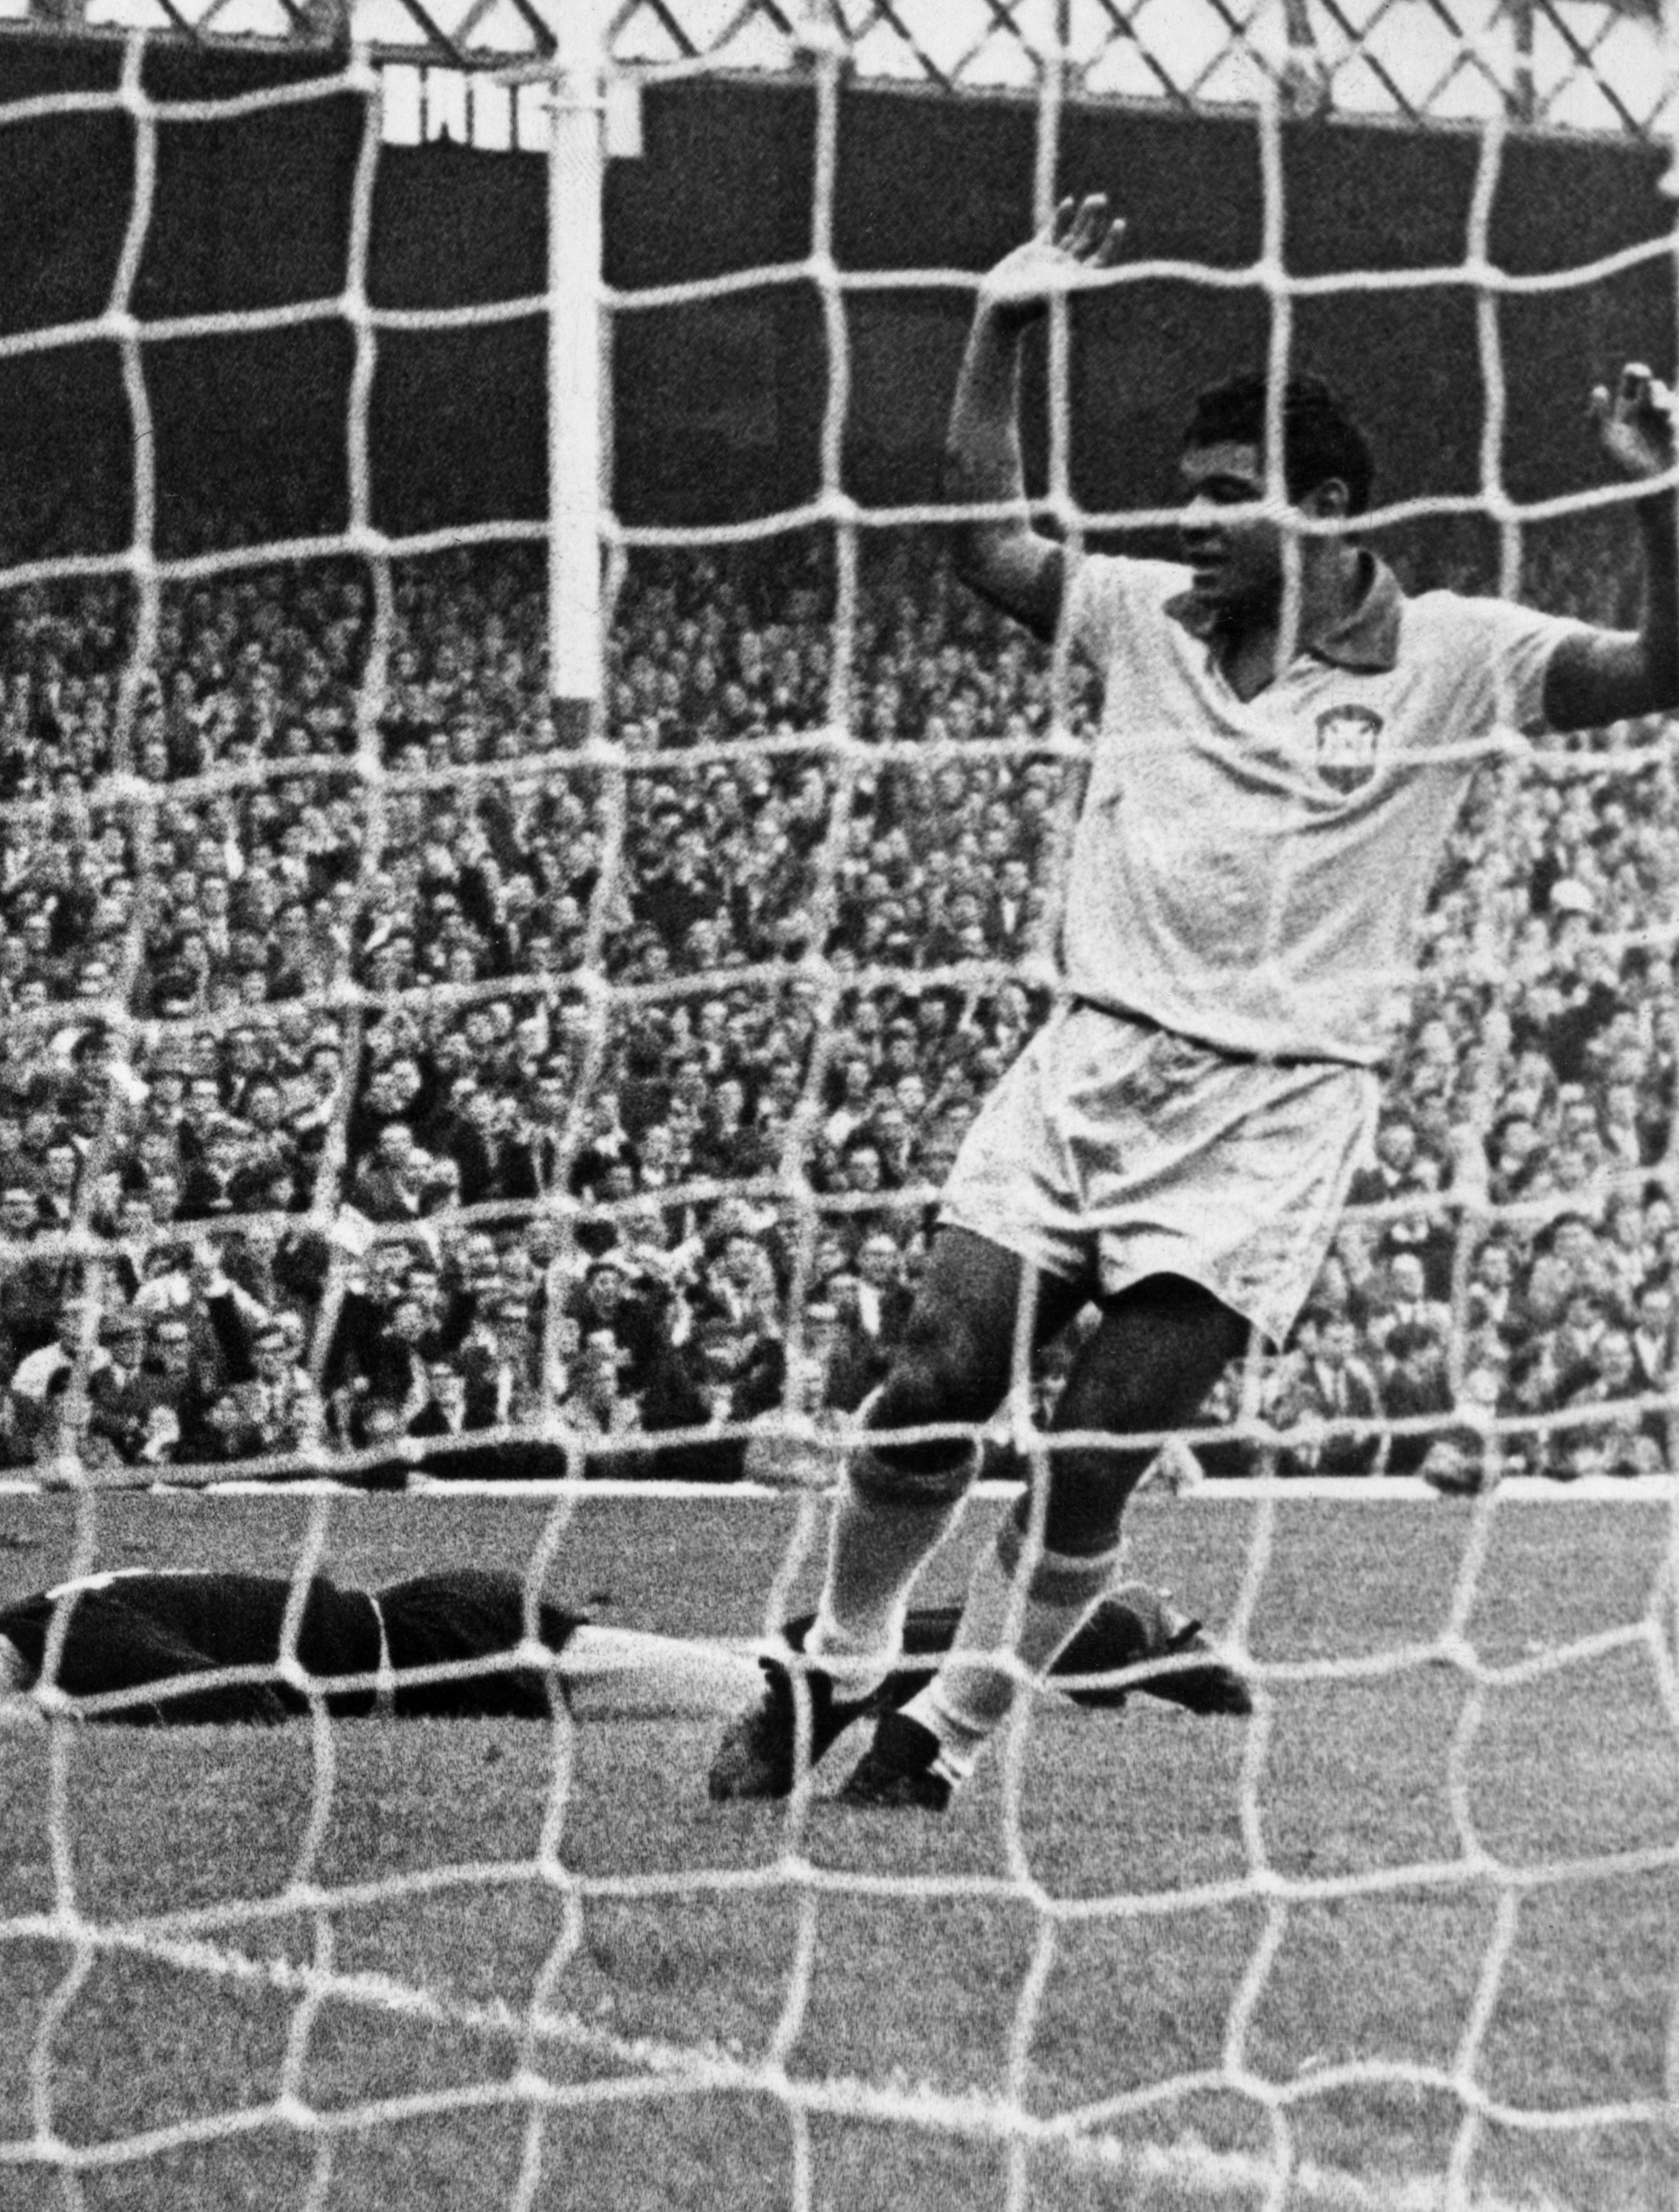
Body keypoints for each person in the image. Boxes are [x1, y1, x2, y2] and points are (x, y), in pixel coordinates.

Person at [717, 193, 1679, 1812]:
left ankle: (939, 1737)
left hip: (1278, 1104)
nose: (1192, 524)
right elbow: (992, 544)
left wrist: (1661, 487)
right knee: (938, 1371)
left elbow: (1663, 670)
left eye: (1227, 499)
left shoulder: (1449, 652)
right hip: (1089, 1059)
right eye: (1189, 496)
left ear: (1328, 509)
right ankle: (839, 1660)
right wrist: (1002, 329)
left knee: (1094, 1442)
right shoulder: (1138, 619)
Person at [0, 1565, 1251, 1733]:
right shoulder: (61, 1622)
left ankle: (1112, 1634)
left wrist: (31, 1713)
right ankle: (1103, 1637)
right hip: (457, 1649)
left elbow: (234, 1699)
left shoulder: (72, 1631)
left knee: (792, 1681)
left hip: (463, 1637)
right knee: (779, 1662)